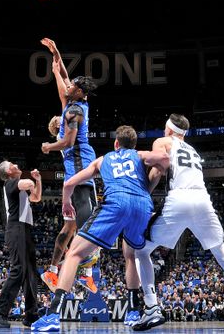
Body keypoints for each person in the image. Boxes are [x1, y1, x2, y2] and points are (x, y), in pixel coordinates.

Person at [31, 125, 170, 333]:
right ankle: (133, 311)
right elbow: (164, 161)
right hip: (143, 206)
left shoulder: (103, 159)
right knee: (130, 255)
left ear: (116, 143)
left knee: (74, 254)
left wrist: (66, 203)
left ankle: (52, 314)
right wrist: (150, 182)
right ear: (133, 144)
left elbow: (69, 183)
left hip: (116, 203)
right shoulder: (140, 155)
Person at [132, 114, 224, 331]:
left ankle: (152, 309)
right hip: (203, 200)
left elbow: (157, 170)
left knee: (142, 251)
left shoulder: (163, 142)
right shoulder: (192, 149)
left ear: (170, 130)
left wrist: (145, 194)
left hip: (179, 198)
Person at [39, 38, 100, 293]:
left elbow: (67, 141)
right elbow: (63, 75)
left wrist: (48, 146)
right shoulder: (69, 104)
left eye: (73, 85)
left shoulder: (74, 110)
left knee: (79, 222)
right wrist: (56, 53)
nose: (69, 84)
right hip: (76, 165)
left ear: (79, 92)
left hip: (78, 163)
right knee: (80, 224)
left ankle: (71, 270)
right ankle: (68, 271)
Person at [0, 162, 42, 328]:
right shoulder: (10, 183)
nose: (16, 164)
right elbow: (28, 184)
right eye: (12, 164)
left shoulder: (18, 187)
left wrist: (38, 180)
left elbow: (36, 197)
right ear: (9, 172)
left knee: (30, 273)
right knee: (18, 269)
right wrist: (32, 182)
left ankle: (31, 315)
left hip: (25, 228)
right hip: (16, 228)